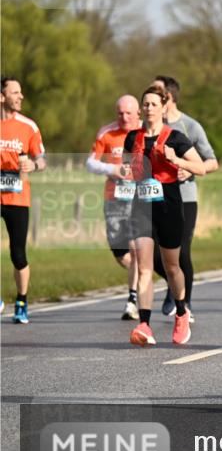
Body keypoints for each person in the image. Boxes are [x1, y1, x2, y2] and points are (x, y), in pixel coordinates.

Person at [124, 84, 206, 346]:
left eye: (153, 104)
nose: (149, 108)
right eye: (145, 104)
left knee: (172, 267)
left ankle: (181, 312)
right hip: (141, 208)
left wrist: (176, 161)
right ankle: (144, 325)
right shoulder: (132, 138)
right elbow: (128, 167)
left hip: (169, 208)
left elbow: (201, 167)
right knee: (144, 267)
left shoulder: (175, 137)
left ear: (163, 108)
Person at [151, 76, 219, 321]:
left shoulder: (190, 126)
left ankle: (184, 303)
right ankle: (174, 284)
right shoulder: (148, 128)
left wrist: (188, 169)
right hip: (154, 197)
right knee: (152, 253)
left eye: (156, 92)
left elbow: (212, 162)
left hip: (185, 198)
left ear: (168, 97)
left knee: (182, 251)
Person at [86, 95, 142, 320]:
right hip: (114, 198)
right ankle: (143, 275)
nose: (124, 117)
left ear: (137, 113)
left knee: (135, 248)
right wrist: (112, 169)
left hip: (139, 198)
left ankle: (132, 299)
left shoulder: (146, 131)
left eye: (129, 113)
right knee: (120, 253)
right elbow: (90, 163)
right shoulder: (107, 133)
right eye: (120, 113)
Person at [0, 77, 46, 324]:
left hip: (17, 197)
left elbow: (42, 160)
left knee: (17, 254)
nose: (21, 96)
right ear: (1, 97)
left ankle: (21, 301)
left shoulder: (28, 126)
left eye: (20, 92)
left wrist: (32, 165)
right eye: (15, 92)